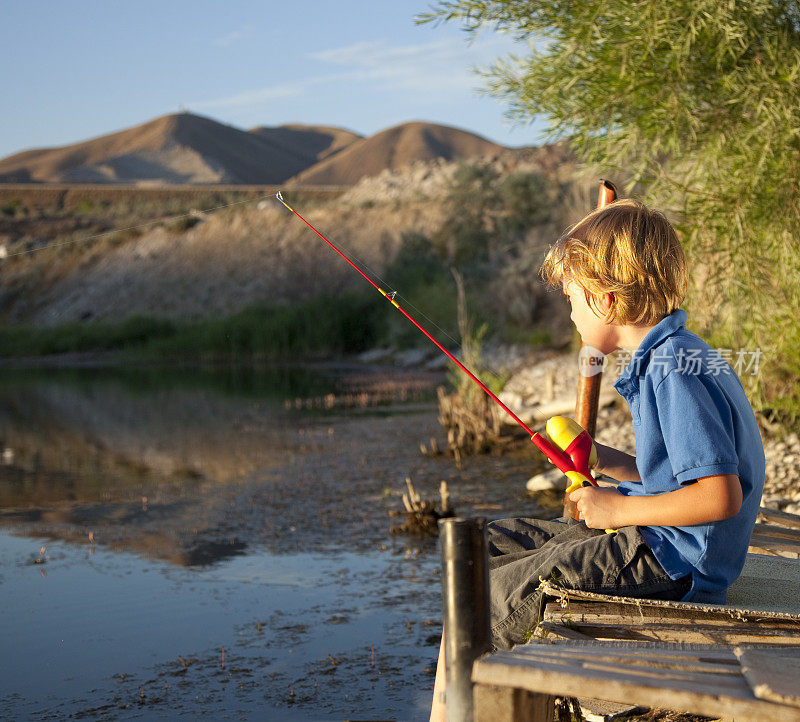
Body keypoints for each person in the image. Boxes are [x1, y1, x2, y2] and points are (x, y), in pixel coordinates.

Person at [429, 198, 765, 722]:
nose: (569, 312)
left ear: (606, 300)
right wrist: (608, 461)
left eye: (572, 298)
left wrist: (617, 512)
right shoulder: (675, 353)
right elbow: (681, 475)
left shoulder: (673, 369)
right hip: (661, 541)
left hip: (675, 562)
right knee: (486, 544)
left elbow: (720, 495)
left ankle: (477, 709)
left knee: (493, 590)